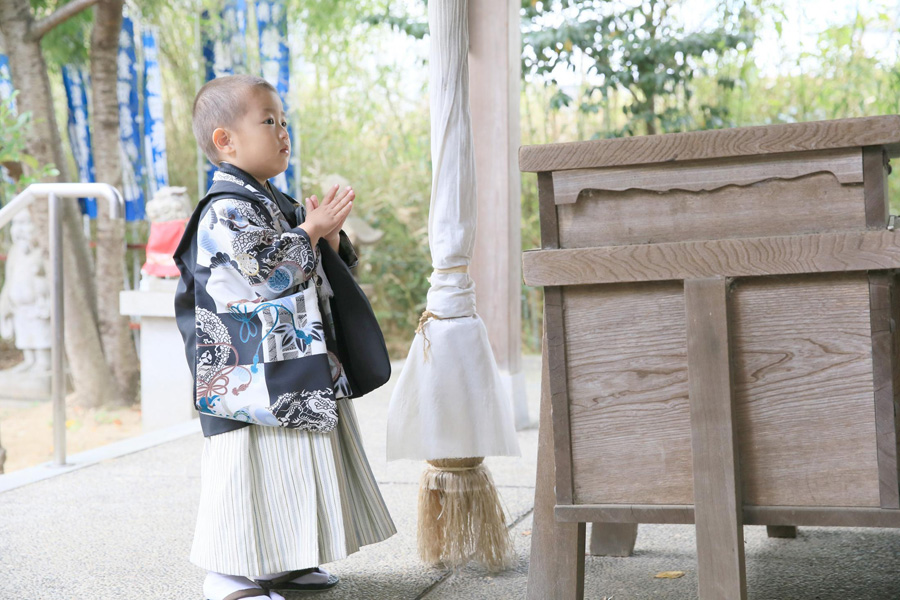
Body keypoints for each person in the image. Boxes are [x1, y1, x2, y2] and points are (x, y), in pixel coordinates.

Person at [173, 74, 395, 600]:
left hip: (282, 362)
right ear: (225, 140)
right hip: (244, 368)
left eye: (285, 121)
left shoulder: (269, 199)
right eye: (269, 121)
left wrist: (328, 239)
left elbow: (304, 265)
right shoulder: (225, 207)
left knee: (289, 464)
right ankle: (225, 573)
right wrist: (310, 232)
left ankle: (285, 561)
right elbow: (265, 272)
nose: (282, 132)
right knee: (246, 467)